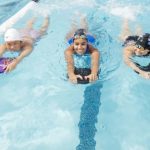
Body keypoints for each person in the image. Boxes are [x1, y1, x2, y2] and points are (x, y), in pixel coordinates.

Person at [65, 16, 100, 84]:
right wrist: (71, 74)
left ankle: (83, 18)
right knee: (73, 28)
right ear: (73, 43)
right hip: (71, 38)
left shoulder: (94, 51)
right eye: (77, 44)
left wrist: (93, 73)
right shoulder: (68, 51)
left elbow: (95, 63)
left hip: (90, 38)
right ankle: (74, 19)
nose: (80, 47)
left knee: (85, 29)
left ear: (87, 43)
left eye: (83, 44)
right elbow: (70, 64)